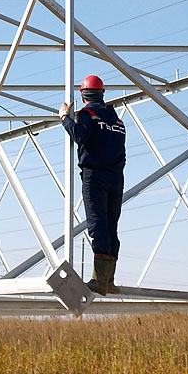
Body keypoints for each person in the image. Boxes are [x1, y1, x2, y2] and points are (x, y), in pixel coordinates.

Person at [60, 74, 127, 295]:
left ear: (83, 96)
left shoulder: (87, 114)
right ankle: (109, 280)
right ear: (102, 93)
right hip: (116, 179)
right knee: (111, 227)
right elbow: (122, 155)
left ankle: (99, 281)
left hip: (95, 177)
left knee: (98, 226)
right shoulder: (118, 122)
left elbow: (79, 135)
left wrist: (65, 118)